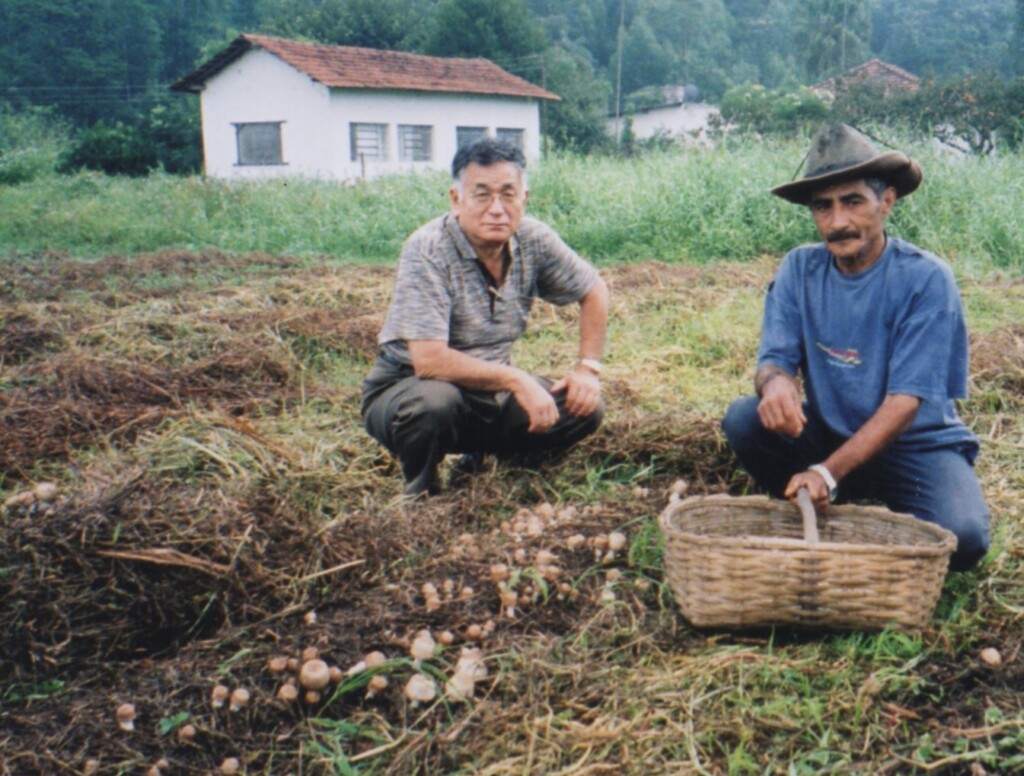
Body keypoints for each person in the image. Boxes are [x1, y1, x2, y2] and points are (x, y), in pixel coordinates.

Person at [722, 123, 989, 571]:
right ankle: (839, 494)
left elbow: (904, 404)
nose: (837, 222)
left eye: (852, 202)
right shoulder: (799, 270)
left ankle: (839, 485)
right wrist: (776, 385)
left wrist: (827, 471)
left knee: (963, 538)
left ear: (886, 202)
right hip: (831, 430)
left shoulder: (925, 279)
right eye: (822, 207)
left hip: (915, 445)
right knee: (745, 419)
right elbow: (774, 360)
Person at [362, 137, 608, 496]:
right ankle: (423, 494)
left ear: (524, 199)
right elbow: (429, 361)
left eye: (508, 195)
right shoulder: (428, 248)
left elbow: (594, 289)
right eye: (482, 195)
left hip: (488, 392)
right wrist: (518, 380)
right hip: (408, 385)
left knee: (585, 408)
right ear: (456, 199)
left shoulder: (533, 240)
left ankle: (488, 464)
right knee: (434, 405)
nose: (497, 209)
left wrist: (587, 368)